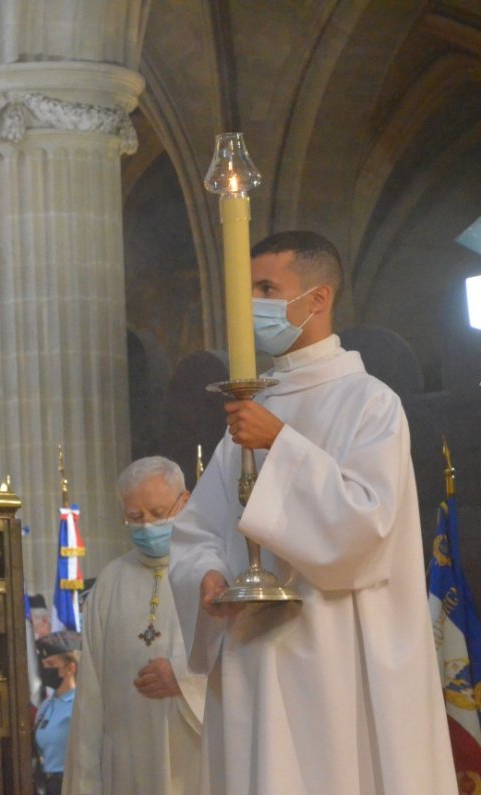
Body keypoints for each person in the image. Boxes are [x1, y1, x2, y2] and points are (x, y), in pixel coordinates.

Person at [168, 230, 455, 794]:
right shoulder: (250, 414)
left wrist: (282, 444)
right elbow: (198, 528)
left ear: (318, 298)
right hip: (252, 656)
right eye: (247, 289)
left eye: (267, 288)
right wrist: (205, 573)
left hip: (335, 658)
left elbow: (364, 531)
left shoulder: (369, 403)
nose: (252, 304)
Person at [62, 456, 205, 795]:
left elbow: (242, 661)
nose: (146, 527)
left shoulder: (211, 571)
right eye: (135, 517)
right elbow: (90, 698)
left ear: (184, 502)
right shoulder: (110, 583)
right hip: (126, 769)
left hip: (198, 761)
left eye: (157, 514)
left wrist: (184, 680)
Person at [34, 630, 81, 795]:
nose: (45, 669)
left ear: (70, 668)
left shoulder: (80, 704)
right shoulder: (46, 705)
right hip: (47, 785)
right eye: (44, 664)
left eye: (51, 665)